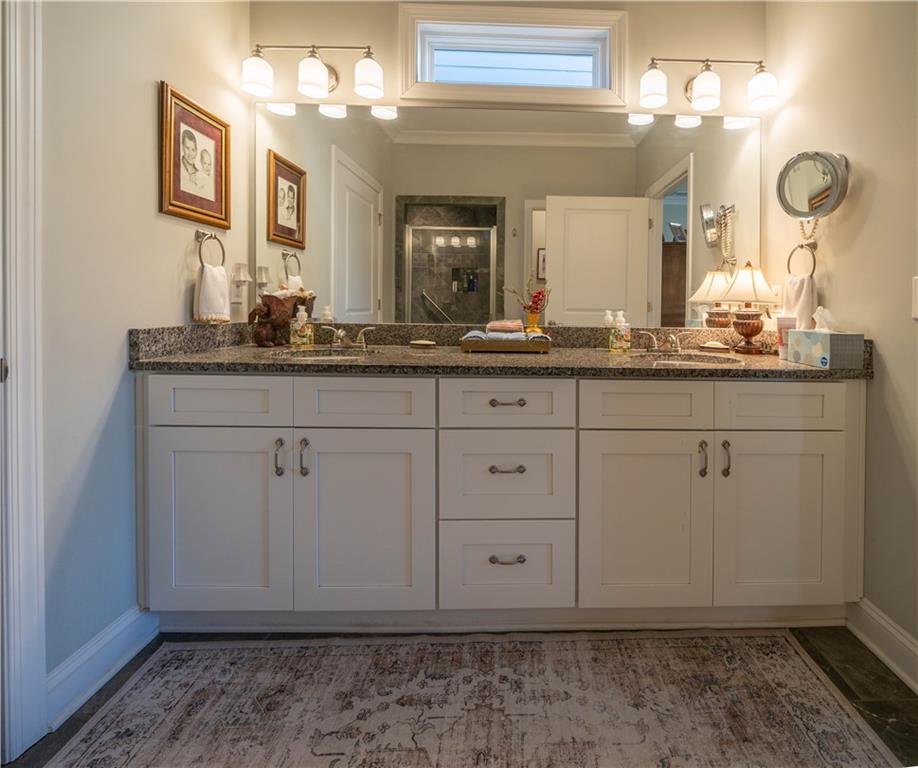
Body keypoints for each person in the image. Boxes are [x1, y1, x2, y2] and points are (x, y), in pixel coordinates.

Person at [179, 128, 198, 193]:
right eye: (187, 148)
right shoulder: (177, 169)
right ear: (182, 147)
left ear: (196, 151)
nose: (190, 154)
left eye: (193, 149)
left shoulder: (199, 173)